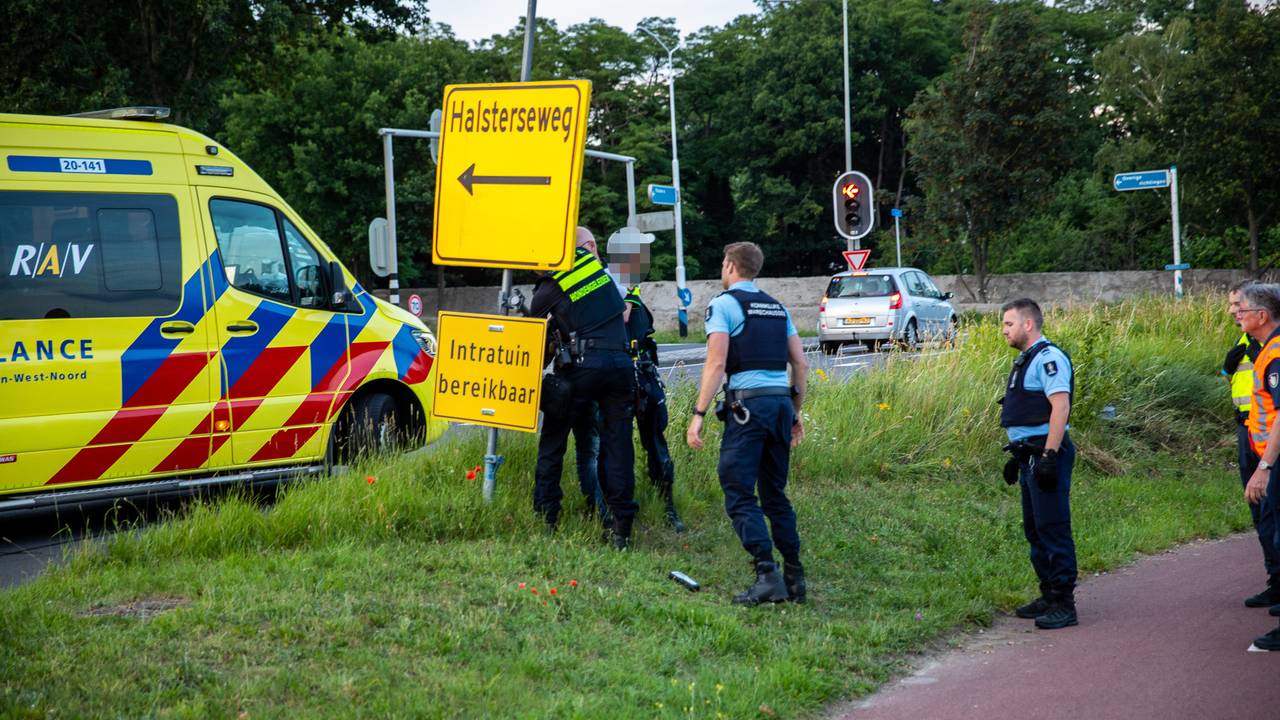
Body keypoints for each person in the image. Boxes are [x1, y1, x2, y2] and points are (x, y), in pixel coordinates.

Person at [687, 241, 808, 605]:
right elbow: (799, 365)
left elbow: (716, 363)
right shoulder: (777, 307)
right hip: (780, 405)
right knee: (775, 495)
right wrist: (796, 411)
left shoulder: (723, 305)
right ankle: (795, 578)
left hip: (748, 409)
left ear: (729, 266)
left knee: (738, 490)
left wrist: (698, 416)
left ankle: (766, 574)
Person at [529, 227, 638, 548]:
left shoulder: (550, 285)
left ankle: (547, 517)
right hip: (621, 366)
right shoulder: (594, 267)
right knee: (618, 446)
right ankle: (620, 528)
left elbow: (531, 334)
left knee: (553, 440)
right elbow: (618, 311)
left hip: (582, 367)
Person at [999, 298, 1078, 630]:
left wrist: (1049, 455)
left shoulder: (1049, 359)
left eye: (1008, 324)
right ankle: (1048, 593)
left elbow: (1060, 407)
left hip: (1046, 455)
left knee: (1052, 527)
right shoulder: (1026, 359)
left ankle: (1064, 603)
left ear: (1028, 324)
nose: (1004, 330)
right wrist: (1020, 454)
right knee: (1035, 529)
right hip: (1029, 454)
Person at [1225, 280, 1280, 608]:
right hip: (1254, 438)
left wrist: (1265, 466)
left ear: (1261, 315)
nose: (1236, 314)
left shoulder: (1273, 351)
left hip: (1270, 453)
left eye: (1240, 308)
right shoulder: (1249, 345)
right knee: (1267, 519)